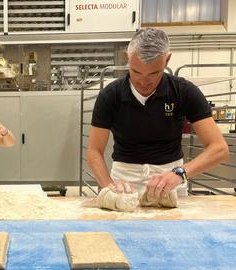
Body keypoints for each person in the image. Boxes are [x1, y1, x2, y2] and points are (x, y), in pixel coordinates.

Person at [87, 28, 228, 200]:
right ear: (128, 58)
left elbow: (219, 148)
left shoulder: (184, 92)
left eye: (153, 73)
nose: (143, 81)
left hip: (171, 181)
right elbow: (94, 151)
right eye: (136, 72)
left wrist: (180, 173)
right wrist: (109, 185)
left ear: (167, 59)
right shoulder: (110, 96)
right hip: (124, 181)